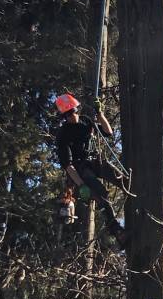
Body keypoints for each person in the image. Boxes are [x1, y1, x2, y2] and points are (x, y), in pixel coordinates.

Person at [54, 92, 127, 247]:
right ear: (64, 117)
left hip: (95, 160)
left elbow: (108, 132)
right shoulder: (63, 134)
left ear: (77, 110)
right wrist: (81, 185)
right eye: (67, 115)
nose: (72, 117)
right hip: (80, 167)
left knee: (124, 181)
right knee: (102, 193)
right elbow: (68, 165)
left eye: (73, 112)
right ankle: (116, 230)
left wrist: (100, 114)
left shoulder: (86, 122)